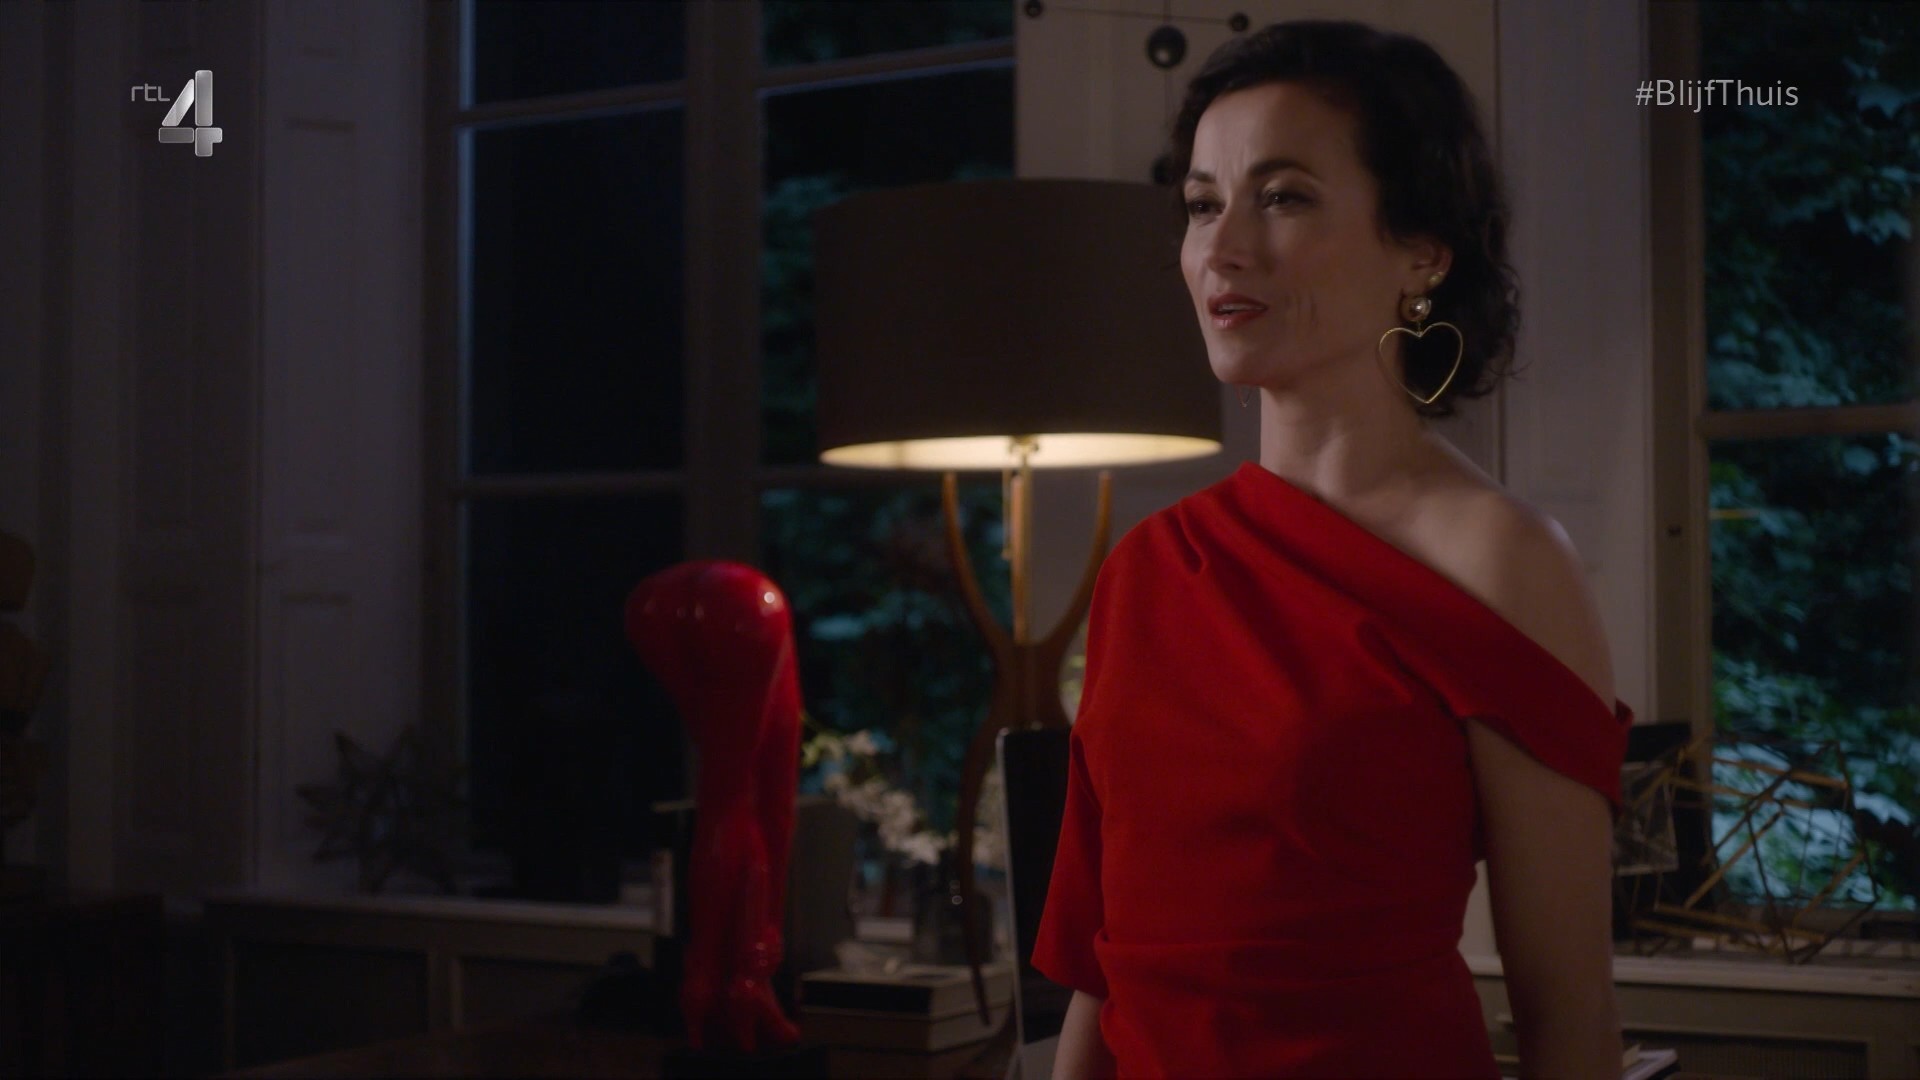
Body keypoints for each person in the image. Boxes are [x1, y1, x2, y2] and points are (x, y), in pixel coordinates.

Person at [1030, 19, 1634, 1080]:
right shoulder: (1148, 570)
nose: (1223, 248)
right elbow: (1101, 967)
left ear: (1422, 251)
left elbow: (1570, 1013)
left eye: (1283, 196)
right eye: (1203, 205)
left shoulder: (1502, 563)